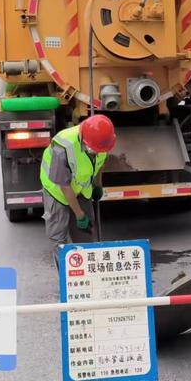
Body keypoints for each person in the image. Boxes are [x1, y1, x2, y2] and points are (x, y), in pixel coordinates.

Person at [40, 114, 116, 267]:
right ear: (84, 139)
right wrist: (79, 215)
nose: (96, 152)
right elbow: (64, 185)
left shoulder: (103, 140)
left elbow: (98, 165)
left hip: (82, 188)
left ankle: (87, 277)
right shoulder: (64, 146)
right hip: (58, 190)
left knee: (86, 234)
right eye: (93, 149)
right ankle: (66, 279)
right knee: (59, 237)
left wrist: (97, 185)